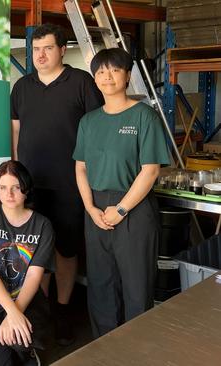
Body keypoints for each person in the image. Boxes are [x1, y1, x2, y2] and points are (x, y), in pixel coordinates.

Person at [10, 23, 104, 346]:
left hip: (69, 183)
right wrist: (14, 172)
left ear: (62, 50)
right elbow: (16, 132)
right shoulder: (21, 87)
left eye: (47, 48)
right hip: (30, 185)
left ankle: (63, 312)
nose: (41, 55)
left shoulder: (80, 82)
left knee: (65, 249)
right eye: (36, 49)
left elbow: (97, 130)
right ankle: (40, 310)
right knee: (33, 251)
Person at [73, 48, 170, 337]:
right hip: (97, 209)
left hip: (134, 209)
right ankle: (103, 350)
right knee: (101, 285)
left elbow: (150, 171)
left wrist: (122, 209)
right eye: (100, 71)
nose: (107, 76)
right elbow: (81, 169)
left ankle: (136, 350)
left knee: (136, 287)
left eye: (114, 70)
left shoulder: (144, 116)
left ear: (127, 76)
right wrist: (91, 209)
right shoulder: (88, 121)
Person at [0, 161, 55, 366]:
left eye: (16, 187)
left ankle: (28, 352)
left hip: (27, 301)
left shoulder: (42, 225)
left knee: (23, 345)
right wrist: (12, 312)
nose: (9, 194)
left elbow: (34, 275)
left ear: (26, 190)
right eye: (3, 188)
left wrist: (16, 313)